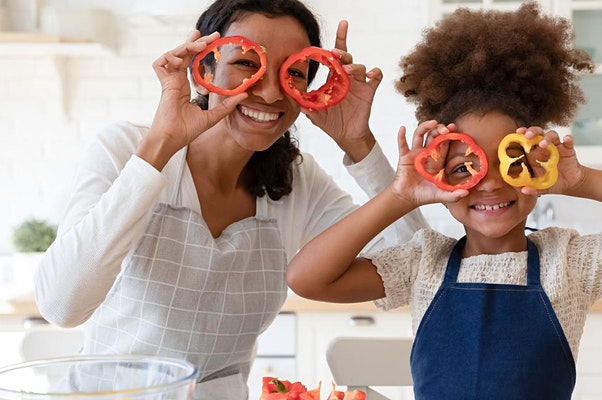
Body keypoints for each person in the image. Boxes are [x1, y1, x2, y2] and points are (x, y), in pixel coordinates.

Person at [286, 3, 602, 399]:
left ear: (538, 166)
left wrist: (580, 179)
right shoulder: (422, 263)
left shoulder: (567, 263)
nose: (490, 184)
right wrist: (400, 195)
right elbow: (307, 279)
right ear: (436, 179)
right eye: (464, 167)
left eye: (511, 161)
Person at [34, 0, 427, 398]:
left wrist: (358, 144)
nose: (272, 92)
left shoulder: (298, 181)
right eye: (246, 63)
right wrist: (161, 144)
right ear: (204, 70)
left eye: (294, 72)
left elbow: (419, 268)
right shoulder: (125, 149)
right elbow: (62, 305)